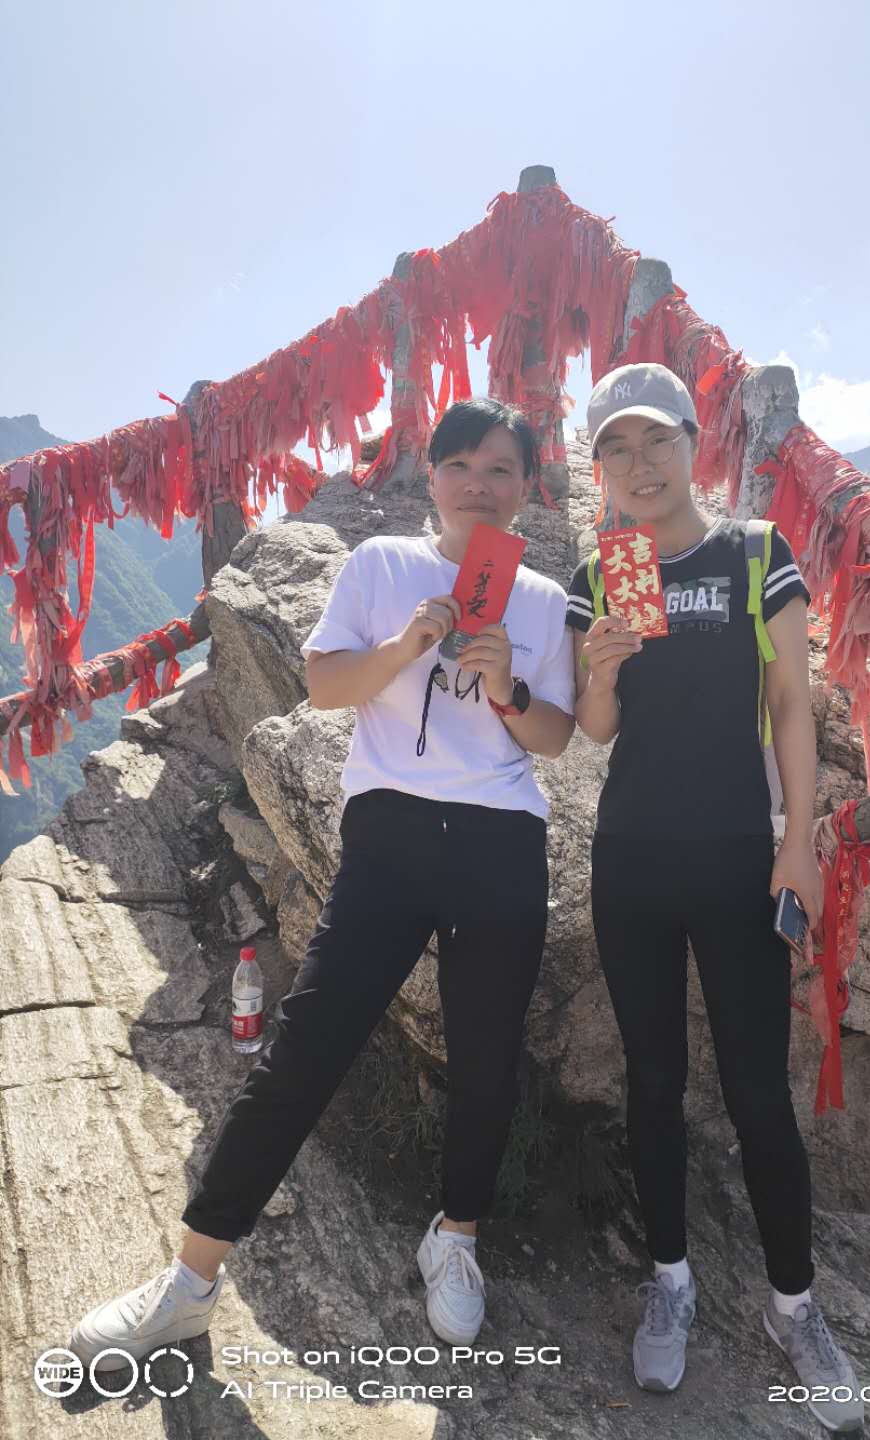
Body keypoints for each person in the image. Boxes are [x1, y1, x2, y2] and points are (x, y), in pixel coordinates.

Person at [69, 397, 576, 1371]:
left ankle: (456, 1237)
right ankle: (191, 1279)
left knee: (487, 1057)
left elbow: (552, 737)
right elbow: (328, 687)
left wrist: (506, 684)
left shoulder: (543, 600)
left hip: (502, 837)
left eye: (501, 469)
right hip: (392, 831)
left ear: (526, 487)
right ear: (432, 475)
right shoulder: (383, 566)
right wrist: (406, 647)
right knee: (307, 1047)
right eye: (461, 465)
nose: (478, 485)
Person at [564, 362, 863, 1433]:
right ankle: (671, 1281)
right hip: (633, 859)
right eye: (616, 447)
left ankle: (796, 1308)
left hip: (740, 855)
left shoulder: (755, 552)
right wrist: (601, 669)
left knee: (757, 1092)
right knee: (653, 1083)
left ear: (696, 443)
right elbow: (596, 728)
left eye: (657, 440)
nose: (639, 464)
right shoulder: (603, 571)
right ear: (600, 466)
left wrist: (800, 844)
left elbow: (791, 701)